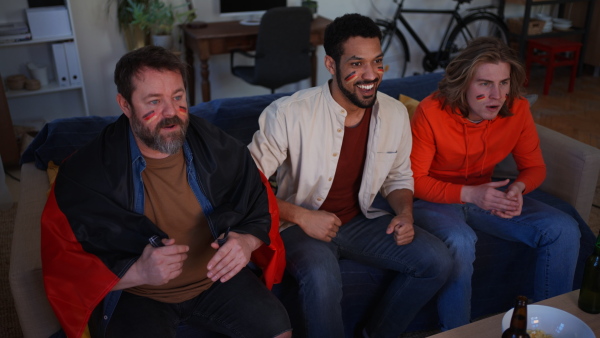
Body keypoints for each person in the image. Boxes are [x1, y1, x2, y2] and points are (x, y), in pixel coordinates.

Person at [41, 45, 292, 338]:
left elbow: (258, 205)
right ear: (125, 105)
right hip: (140, 294)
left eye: (177, 97)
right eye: (154, 101)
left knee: (278, 328)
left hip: (215, 281)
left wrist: (247, 241)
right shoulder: (87, 173)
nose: (171, 112)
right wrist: (139, 273)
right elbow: (65, 266)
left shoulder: (218, 147)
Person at [248, 13, 452, 337]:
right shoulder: (289, 114)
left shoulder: (396, 114)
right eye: (356, 64)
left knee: (436, 260)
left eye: (378, 62)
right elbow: (247, 186)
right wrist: (302, 217)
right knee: (321, 273)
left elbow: (398, 177)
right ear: (331, 64)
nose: (370, 75)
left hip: (359, 220)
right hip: (299, 225)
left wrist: (405, 213)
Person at [410, 37, 581, 330]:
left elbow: (535, 167)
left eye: (503, 83)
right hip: (435, 197)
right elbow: (413, 181)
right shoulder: (431, 111)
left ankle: (545, 329)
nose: (497, 95)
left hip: (486, 193)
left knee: (563, 228)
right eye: (485, 84)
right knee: (461, 242)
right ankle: (458, 333)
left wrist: (518, 189)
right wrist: (469, 194)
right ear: (463, 83)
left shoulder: (517, 109)